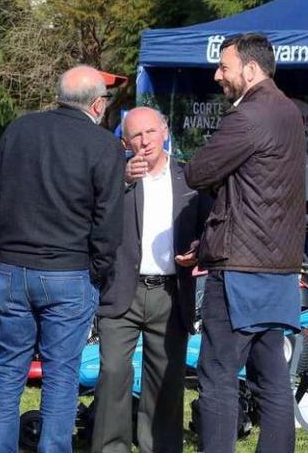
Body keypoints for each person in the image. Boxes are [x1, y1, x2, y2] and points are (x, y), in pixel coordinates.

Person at [0, 65, 125, 453]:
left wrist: (0, 252)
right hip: (69, 271)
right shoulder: (104, 145)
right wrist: (97, 270)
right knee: (61, 377)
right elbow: (108, 220)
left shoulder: (19, 131)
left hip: (16, 268)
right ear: (97, 104)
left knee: (8, 371)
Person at [185, 33, 305, 453]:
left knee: (217, 376)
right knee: (271, 378)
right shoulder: (288, 111)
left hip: (240, 270)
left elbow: (198, 172)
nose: (218, 75)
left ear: (250, 71)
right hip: (280, 269)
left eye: (224, 67)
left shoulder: (249, 116)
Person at [90, 107, 208, 453]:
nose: (145, 142)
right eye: (136, 136)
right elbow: (92, 217)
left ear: (165, 130)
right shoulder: (115, 177)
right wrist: (122, 180)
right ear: (125, 141)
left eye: (151, 132)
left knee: (167, 380)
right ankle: (111, 447)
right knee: (112, 374)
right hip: (121, 289)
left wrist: (201, 248)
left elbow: (208, 224)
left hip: (170, 293)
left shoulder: (189, 178)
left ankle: (160, 447)